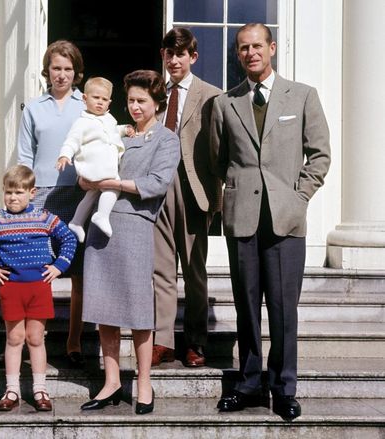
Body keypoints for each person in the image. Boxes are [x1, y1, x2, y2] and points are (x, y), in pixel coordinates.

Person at [210, 23, 331, 420]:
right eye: (243, 48)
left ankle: (283, 387)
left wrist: (299, 200)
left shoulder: (303, 96)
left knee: (282, 310)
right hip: (242, 217)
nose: (250, 53)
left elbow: (320, 156)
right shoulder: (226, 104)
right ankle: (248, 383)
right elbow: (218, 157)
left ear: (272, 48)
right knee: (246, 306)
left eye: (257, 45)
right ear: (238, 54)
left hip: (286, 221)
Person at [79, 70, 180, 415]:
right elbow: (89, 160)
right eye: (131, 100)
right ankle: (111, 382)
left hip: (136, 225)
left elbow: (156, 182)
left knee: (138, 310)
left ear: (157, 104)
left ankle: (145, 382)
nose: (134, 107)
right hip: (100, 227)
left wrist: (116, 182)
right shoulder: (114, 131)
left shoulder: (166, 140)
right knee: (104, 307)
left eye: (141, 101)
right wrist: (87, 177)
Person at [0, 165, 77, 411]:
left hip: (39, 286)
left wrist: (59, 265)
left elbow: (68, 239)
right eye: (8, 192)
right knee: (15, 338)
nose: (13, 197)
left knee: (36, 338)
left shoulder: (44, 217)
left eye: (18, 192)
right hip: (11, 287)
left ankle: (40, 390)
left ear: (32, 192)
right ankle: (12, 390)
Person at [152, 27, 222, 368]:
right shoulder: (154, 94)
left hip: (194, 190)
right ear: (163, 56)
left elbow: (221, 148)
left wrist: (218, 188)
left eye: (180, 54)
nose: (174, 60)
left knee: (195, 270)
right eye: (169, 53)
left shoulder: (211, 95)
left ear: (192, 57)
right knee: (161, 269)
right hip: (157, 189)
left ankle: (195, 342)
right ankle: (163, 340)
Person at [18, 40, 87, 368]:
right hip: (41, 196)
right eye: (56, 68)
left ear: (76, 73)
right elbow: (24, 157)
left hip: (77, 194)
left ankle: (74, 342)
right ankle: (31, 339)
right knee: (34, 271)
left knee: (77, 272)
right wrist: (26, 200)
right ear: (47, 71)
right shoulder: (33, 108)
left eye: (67, 69)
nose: (61, 75)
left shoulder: (87, 106)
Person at [57, 77, 134, 242]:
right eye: (96, 98)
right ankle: (102, 215)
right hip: (95, 165)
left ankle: (77, 221)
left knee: (92, 194)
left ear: (109, 102)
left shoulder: (109, 119)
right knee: (114, 187)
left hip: (101, 166)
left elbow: (112, 131)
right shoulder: (82, 122)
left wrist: (124, 129)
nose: (100, 102)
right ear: (85, 99)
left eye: (104, 99)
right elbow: (72, 140)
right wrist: (65, 154)